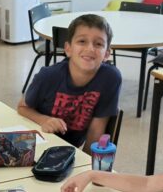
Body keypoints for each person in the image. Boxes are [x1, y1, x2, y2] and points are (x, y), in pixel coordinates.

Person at [18, 13, 121, 151]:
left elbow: (97, 129)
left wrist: (87, 163)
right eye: (82, 41)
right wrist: (44, 120)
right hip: (37, 144)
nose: (90, 49)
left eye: (98, 44)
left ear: (107, 54)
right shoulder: (48, 76)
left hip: (69, 150)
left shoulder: (110, 78)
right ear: (68, 49)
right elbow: (22, 107)